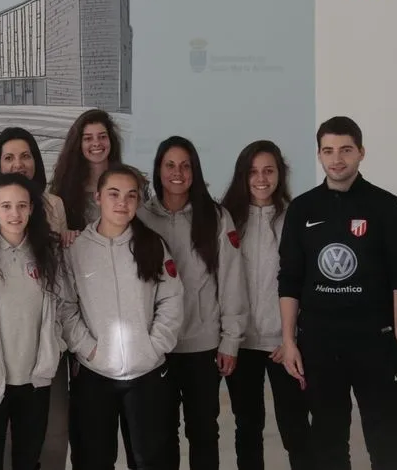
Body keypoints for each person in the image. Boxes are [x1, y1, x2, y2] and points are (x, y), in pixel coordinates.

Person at [278, 116, 397, 470]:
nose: (337, 159)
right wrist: (289, 341)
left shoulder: (387, 206)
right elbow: (289, 279)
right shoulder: (302, 208)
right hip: (319, 345)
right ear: (319, 154)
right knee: (329, 445)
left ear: (361, 153)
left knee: (388, 443)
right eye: (328, 150)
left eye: (346, 150)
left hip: (376, 344)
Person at [0, 126, 71, 470]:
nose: (14, 213)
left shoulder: (48, 253)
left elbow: (65, 303)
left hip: (35, 376)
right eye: (6, 206)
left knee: (27, 459)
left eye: (22, 206)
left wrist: (55, 344)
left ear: (33, 209)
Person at [61, 164, 183, 470]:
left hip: (147, 375)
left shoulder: (152, 245)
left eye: (131, 196)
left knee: (152, 459)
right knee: (93, 459)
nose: (122, 202)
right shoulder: (76, 250)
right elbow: (65, 306)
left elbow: (171, 298)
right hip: (94, 375)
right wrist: (89, 349)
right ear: (98, 196)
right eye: (113, 194)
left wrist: (154, 346)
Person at [137, 136, 248, 470]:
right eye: (170, 165)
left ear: (195, 171)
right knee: (162, 434)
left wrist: (231, 339)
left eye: (185, 165)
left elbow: (231, 281)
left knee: (203, 432)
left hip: (203, 346)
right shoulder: (141, 217)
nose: (178, 172)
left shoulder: (215, 217)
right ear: (158, 170)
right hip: (159, 348)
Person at [220, 141, 312, 470]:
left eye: (269, 170)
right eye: (254, 172)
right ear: (243, 176)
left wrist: (292, 337)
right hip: (241, 343)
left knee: (295, 426)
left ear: (280, 175)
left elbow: (305, 281)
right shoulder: (226, 219)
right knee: (247, 426)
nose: (261, 178)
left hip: (283, 343)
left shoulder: (296, 218)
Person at [50, 108, 125, 232]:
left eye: (102, 137)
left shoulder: (129, 182)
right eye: (88, 138)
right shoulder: (63, 188)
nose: (96, 143)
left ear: (111, 140)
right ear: (78, 144)